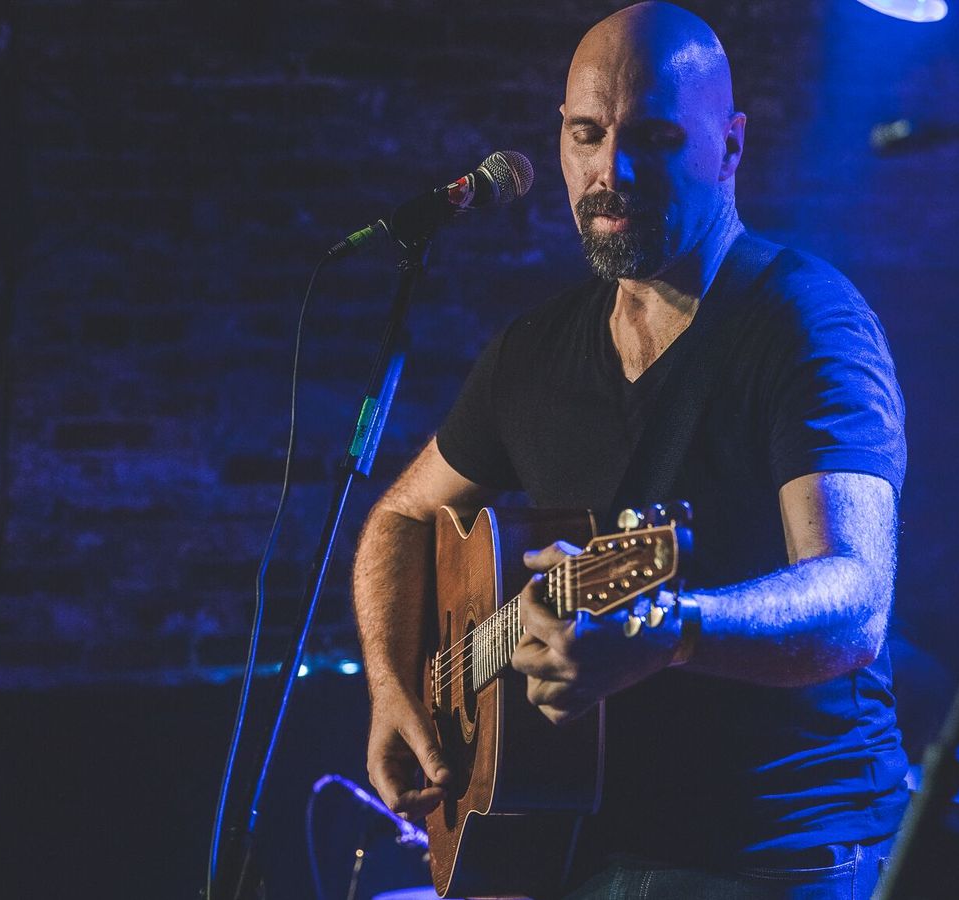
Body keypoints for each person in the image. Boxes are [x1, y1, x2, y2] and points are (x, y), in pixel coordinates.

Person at [351, 3, 909, 897]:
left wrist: (670, 631)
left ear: (730, 146)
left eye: (653, 137)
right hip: (570, 845)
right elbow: (403, 519)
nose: (612, 170)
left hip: (770, 849)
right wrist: (393, 686)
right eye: (587, 134)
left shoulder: (807, 324)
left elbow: (854, 598)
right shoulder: (533, 353)